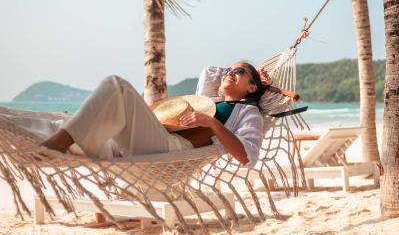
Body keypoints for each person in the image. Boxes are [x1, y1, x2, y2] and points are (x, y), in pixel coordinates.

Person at [40, 62, 270, 167]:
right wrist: (241, 72)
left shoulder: (249, 112)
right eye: (228, 70)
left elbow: (246, 157)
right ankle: (28, 142)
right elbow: (209, 72)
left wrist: (210, 122)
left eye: (239, 72)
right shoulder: (211, 98)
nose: (229, 73)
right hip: (148, 138)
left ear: (251, 87)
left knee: (116, 86)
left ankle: (58, 141)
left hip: (169, 146)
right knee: (60, 125)